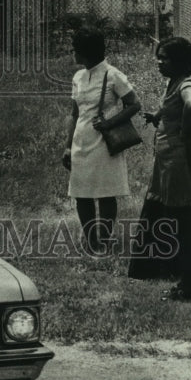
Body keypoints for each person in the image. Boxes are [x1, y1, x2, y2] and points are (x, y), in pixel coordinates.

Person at [62, 28, 141, 255]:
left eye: (75, 49)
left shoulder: (113, 74)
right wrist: (68, 146)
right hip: (81, 139)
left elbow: (135, 105)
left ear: (85, 52)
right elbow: (74, 114)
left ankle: (104, 241)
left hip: (105, 141)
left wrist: (110, 122)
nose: (72, 53)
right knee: (81, 192)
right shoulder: (78, 77)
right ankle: (91, 240)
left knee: (106, 193)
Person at [130, 38, 191, 300]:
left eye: (164, 58)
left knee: (180, 218)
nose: (159, 62)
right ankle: (163, 269)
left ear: (178, 60)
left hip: (178, 163)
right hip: (166, 162)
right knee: (163, 212)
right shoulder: (174, 82)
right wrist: (158, 117)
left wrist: (186, 134)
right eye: (158, 57)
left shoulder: (187, 83)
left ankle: (186, 282)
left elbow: (190, 104)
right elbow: (175, 109)